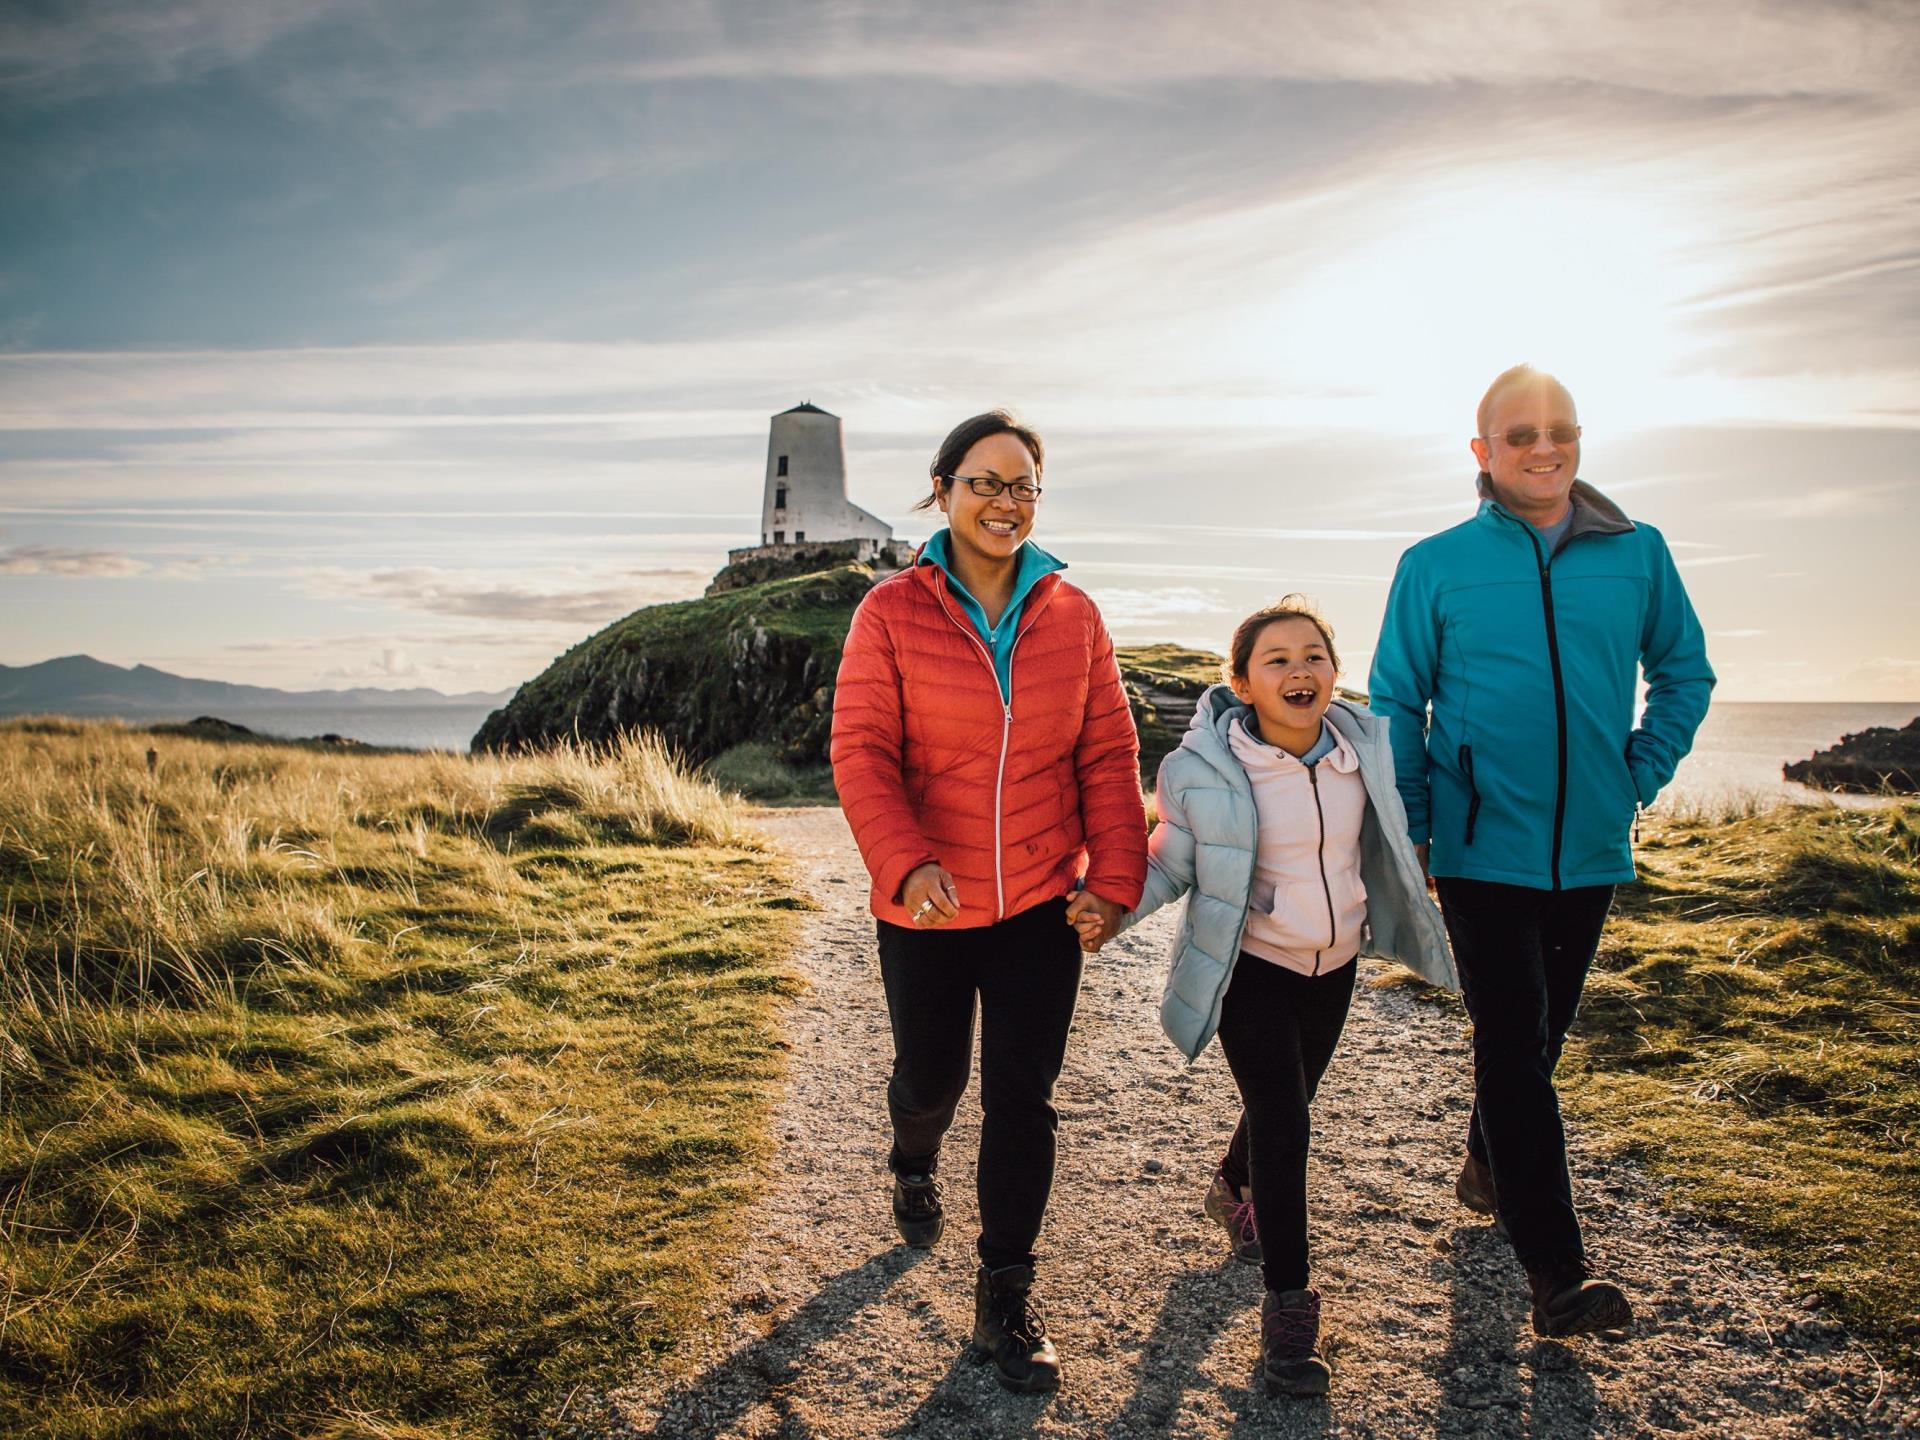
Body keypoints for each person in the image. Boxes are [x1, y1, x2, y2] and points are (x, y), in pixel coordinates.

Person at [1368, 364, 1714, 1338]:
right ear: (1483, 455)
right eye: (1519, 434)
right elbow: (1398, 698)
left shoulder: (1638, 554)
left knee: (1536, 1042)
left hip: (1592, 848)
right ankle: (1555, 1274)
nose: (1544, 446)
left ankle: (1488, 1159)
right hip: (1478, 848)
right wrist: (1420, 821)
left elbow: (1684, 671)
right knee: (1514, 1045)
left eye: (1559, 428)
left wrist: (1637, 773)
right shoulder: (1435, 564)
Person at [830, 409, 1147, 1393]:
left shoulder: (1075, 615)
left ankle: (1004, 1301)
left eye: (1023, 485)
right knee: (932, 1079)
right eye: (984, 481)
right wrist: (905, 862)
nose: (1004, 502)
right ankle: (911, 1153)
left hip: (1038, 909)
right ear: (943, 489)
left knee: (1024, 1098)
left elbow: (1108, 756)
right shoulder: (889, 610)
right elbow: (862, 752)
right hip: (925, 906)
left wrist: (1115, 883)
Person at [1075, 596, 1455, 1396]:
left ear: (1334, 672)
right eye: (1276, 660)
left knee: (1286, 1099)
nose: (1298, 670)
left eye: (1313, 654)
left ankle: (1229, 1183)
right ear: (1242, 683)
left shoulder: (1367, 750)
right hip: (1252, 964)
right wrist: (1111, 907)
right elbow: (1171, 862)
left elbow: (1395, 833)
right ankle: (1288, 1315)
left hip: (1337, 961)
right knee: (1286, 1122)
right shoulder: (1202, 771)